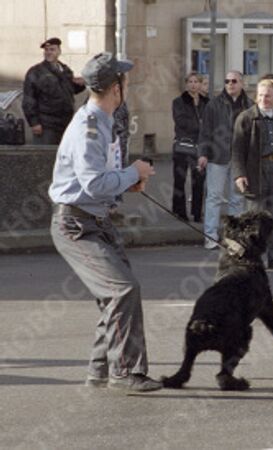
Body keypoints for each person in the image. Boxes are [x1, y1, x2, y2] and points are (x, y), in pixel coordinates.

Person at [48, 52, 160, 392]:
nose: (128, 84)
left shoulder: (105, 119)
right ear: (116, 88)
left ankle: (100, 370)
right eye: (125, 80)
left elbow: (101, 176)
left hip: (93, 220)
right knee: (122, 290)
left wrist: (129, 180)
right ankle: (124, 373)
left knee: (115, 294)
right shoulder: (91, 127)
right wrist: (133, 172)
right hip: (76, 225)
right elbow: (93, 183)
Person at [231, 79, 273, 269]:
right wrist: (239, 175)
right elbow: (236, 149)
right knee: (254, 218)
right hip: (254, 171)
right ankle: (252, 258)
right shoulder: (246, 117)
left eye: (267, 95)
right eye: (260, 95)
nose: (263, 99)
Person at [198, 70, 252, 249]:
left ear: (242, 83)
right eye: (227, 81)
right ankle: (210, 236)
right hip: (217, 156)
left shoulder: (249, 105)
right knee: (214, 197)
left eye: (234, 81)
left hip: (240, 158)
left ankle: (233, 237)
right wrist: (203, 154)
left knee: (237, 198)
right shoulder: (214, 105)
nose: (230, 84)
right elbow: (205, 131)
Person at [22, 37, 86, 145]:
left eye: (52, 50)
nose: (48, 53)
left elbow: (69, 91)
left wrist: (81, 84)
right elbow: (29, 98)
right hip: (46, 124)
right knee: (44, 157)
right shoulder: (36, 72)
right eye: (46, 50)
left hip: (65, 122)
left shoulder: (65, 70)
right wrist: (34, 122)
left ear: (59, 51)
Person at [171, 72, 208, 223]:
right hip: (183, 145)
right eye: (190, 82)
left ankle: (197, 212)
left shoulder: (207, 102)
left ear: (200, 84)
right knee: (180, 179)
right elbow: (181, 121)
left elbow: (210, 122)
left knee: (199, 180)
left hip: (201, 146)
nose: (193, 84)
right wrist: (200, 125)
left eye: (196, 82)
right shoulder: (178, 101)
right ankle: (179, 211)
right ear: (186, 84)